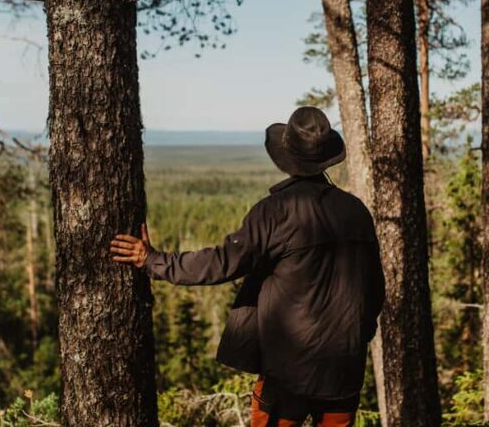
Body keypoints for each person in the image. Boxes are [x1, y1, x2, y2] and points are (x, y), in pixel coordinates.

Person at [110, 106, 385, 427]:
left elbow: (222, 263)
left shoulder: (276, 211)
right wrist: (354, 336)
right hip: (344, 372)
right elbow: (374, 289)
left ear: (288, 158)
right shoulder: (356, 211)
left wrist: (153, 261)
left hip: (288, 374)